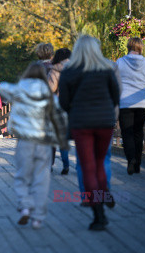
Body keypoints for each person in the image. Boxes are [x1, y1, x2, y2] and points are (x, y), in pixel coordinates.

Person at [58, 35, 120, 231]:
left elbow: (63, 102)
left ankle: (98, 215)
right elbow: (116, 96)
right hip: (104, 122)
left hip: (81, 123)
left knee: (87, 166)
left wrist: (75, 111)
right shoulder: (106, 69)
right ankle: (104, 192)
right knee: (100, 162)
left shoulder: (69, 71)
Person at [0, 62, 68, 230]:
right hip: (43, 140)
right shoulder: (48, 93)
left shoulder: (21, 88)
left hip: (25, 139)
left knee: (22, 175)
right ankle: (38, 218)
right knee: (41, 178)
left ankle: (24, 206)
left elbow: (2, 89)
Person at [116, 37, 145, 175]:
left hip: (125, 103)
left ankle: (131, 159)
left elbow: (115, 82)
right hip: (142, 103)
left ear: (128, 47)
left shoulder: (120, 62)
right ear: (140, 48)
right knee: (138, 132)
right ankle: (137, 164)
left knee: (127, 133)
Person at [47, 48, 72, 174]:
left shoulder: (54, 70)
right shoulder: (77, 68)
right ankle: (66, 165)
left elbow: (50, 89)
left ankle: (50, 164)